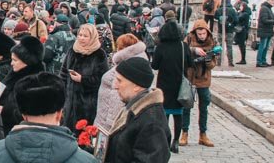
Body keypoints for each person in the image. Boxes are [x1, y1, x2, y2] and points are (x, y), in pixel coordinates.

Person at [94, 34, 147, 153]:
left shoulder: (129, 64)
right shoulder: (127, 61)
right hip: (108, 116)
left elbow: (116, 98)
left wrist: (109, 122)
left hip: (112, 119)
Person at [60, 25, 107, 134]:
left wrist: (82, 79)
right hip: (69, 103)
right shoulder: (72, 51)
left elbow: (102, 79)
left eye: (85, 36)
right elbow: (63, 73)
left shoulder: (99, 54)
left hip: (88, 105)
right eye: (80, 35)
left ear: (92, 37)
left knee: (84, 136)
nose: (81, 38)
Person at [183, 19, 221, 148]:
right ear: (195, 32)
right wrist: (194, 50)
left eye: (204, 33)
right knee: (186, 106)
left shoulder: (212, 42)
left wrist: (208, 60)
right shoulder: (189, 39)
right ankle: (184, 133)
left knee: (204, 106)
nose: (202, 36)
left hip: (204, 78)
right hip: (190, 77)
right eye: (199, 34)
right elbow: (183, 52)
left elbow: (213, 65)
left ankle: (203, 134)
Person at [150, 20, 187, 153]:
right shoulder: (183, 46)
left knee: (164, 114)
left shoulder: (161, 47)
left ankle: (165, 139)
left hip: (164, 84)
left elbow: (154, 66)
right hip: (179, 84)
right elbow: (189, 63)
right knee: (178, 114)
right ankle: (176, 141)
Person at [0, 35, 44, 134]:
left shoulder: (35, 82)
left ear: (27, 61)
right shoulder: (15, 73)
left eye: (15, 60)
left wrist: (5, 111)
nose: (11, 63)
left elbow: (29, 113)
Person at [255, 0, 274, 67]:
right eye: (272, 0)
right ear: (268, 0)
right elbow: (264, 20)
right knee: (262, 46)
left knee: (266, 46)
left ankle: (263, 60)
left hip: (268, 30)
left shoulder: (269, 9)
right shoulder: (264, 8)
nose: (273, 2)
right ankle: (259, 61)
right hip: (264, 30)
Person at [231, 0, 251, 65]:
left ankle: (243, 59)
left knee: (242, 45)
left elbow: (238, 19)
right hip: (240, 31)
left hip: (242, 31)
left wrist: (237, 13)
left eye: (241, 6)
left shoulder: (245, 14)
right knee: (240, 45)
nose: (240, 7)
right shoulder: (242, 13)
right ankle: (242, 59)